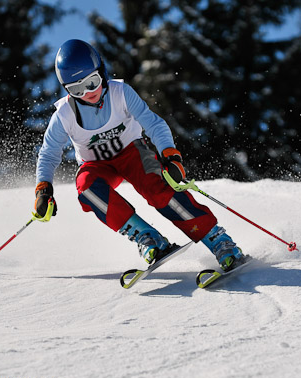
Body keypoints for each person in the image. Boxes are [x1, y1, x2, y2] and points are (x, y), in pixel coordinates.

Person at [35, 39, 245, 271]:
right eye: (76, 89)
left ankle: (219, 241)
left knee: (158, 186)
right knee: (85, 187)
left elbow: (154, 124)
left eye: (92, 82)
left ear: (101, 73)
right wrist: (43, 189)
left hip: (132, 153)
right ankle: (149, 238)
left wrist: (171, 156)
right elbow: (48, 154)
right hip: (97, 166)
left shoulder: (120, 93)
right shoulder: (64, 114)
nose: (88, 93)